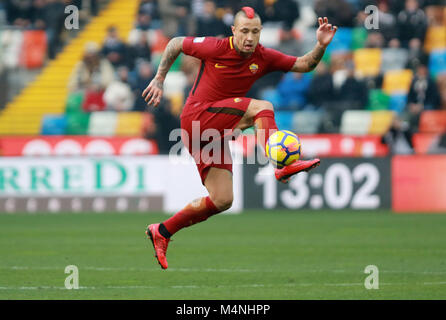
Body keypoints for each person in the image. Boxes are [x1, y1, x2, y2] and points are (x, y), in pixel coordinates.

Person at [142, 7, 337, 269]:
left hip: (214, 134)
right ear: (234, 31)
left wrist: (321, 46)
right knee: (262, 107)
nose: (250, 37)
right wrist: (159, 78)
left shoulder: (263, 56)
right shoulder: (215, 47)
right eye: (244, 31)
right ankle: (281, 165)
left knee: (223, 199)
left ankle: (163, 231)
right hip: (197, 118)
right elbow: (176, 43)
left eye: (255, 31)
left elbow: (304, 64)